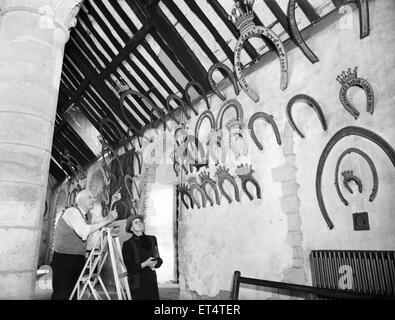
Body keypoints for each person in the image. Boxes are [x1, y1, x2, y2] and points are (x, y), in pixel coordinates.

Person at [51, 189, 118, 300]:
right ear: (80, 200)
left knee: (74, 292)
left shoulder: (88, 215)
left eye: (93, 197)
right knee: (62, 292)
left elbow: (106, 220)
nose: (93, 199)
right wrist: (107, 220)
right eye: (90, 197)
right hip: (64, 258)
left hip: (78, 257)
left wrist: (114, 202)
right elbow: (83, 231)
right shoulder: (72, 212)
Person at [122, 215, 163, 300]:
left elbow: (158, 258)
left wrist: (156, 263)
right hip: (137, 282)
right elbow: (130, 269)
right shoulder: (127, 244)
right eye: (136, 222)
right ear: (131, 228)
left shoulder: (152, 239)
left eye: (140, 221)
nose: (139, 223)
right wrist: (146, 263)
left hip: (151, 279)